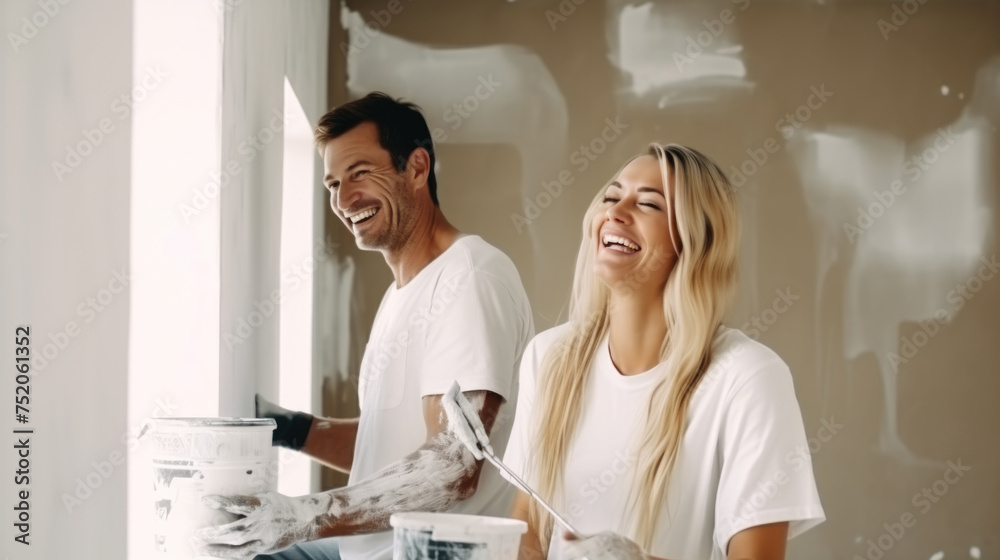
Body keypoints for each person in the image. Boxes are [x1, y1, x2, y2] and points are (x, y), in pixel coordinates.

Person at [196, 92, 535, 560]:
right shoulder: (401, 293)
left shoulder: (468, 278)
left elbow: (452, 467)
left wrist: (303, 515)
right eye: (332, 184)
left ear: (416, 168)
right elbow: (391, 447)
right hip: (362, 551)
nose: (344, 198)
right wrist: (289, 428)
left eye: (360, 173)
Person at [500, 144, 825, 560]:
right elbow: (527, 527)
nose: (616, 212)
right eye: (612, 196)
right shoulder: (548, 357)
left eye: (649, 204)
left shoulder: (748, 378)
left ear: (695, 240)